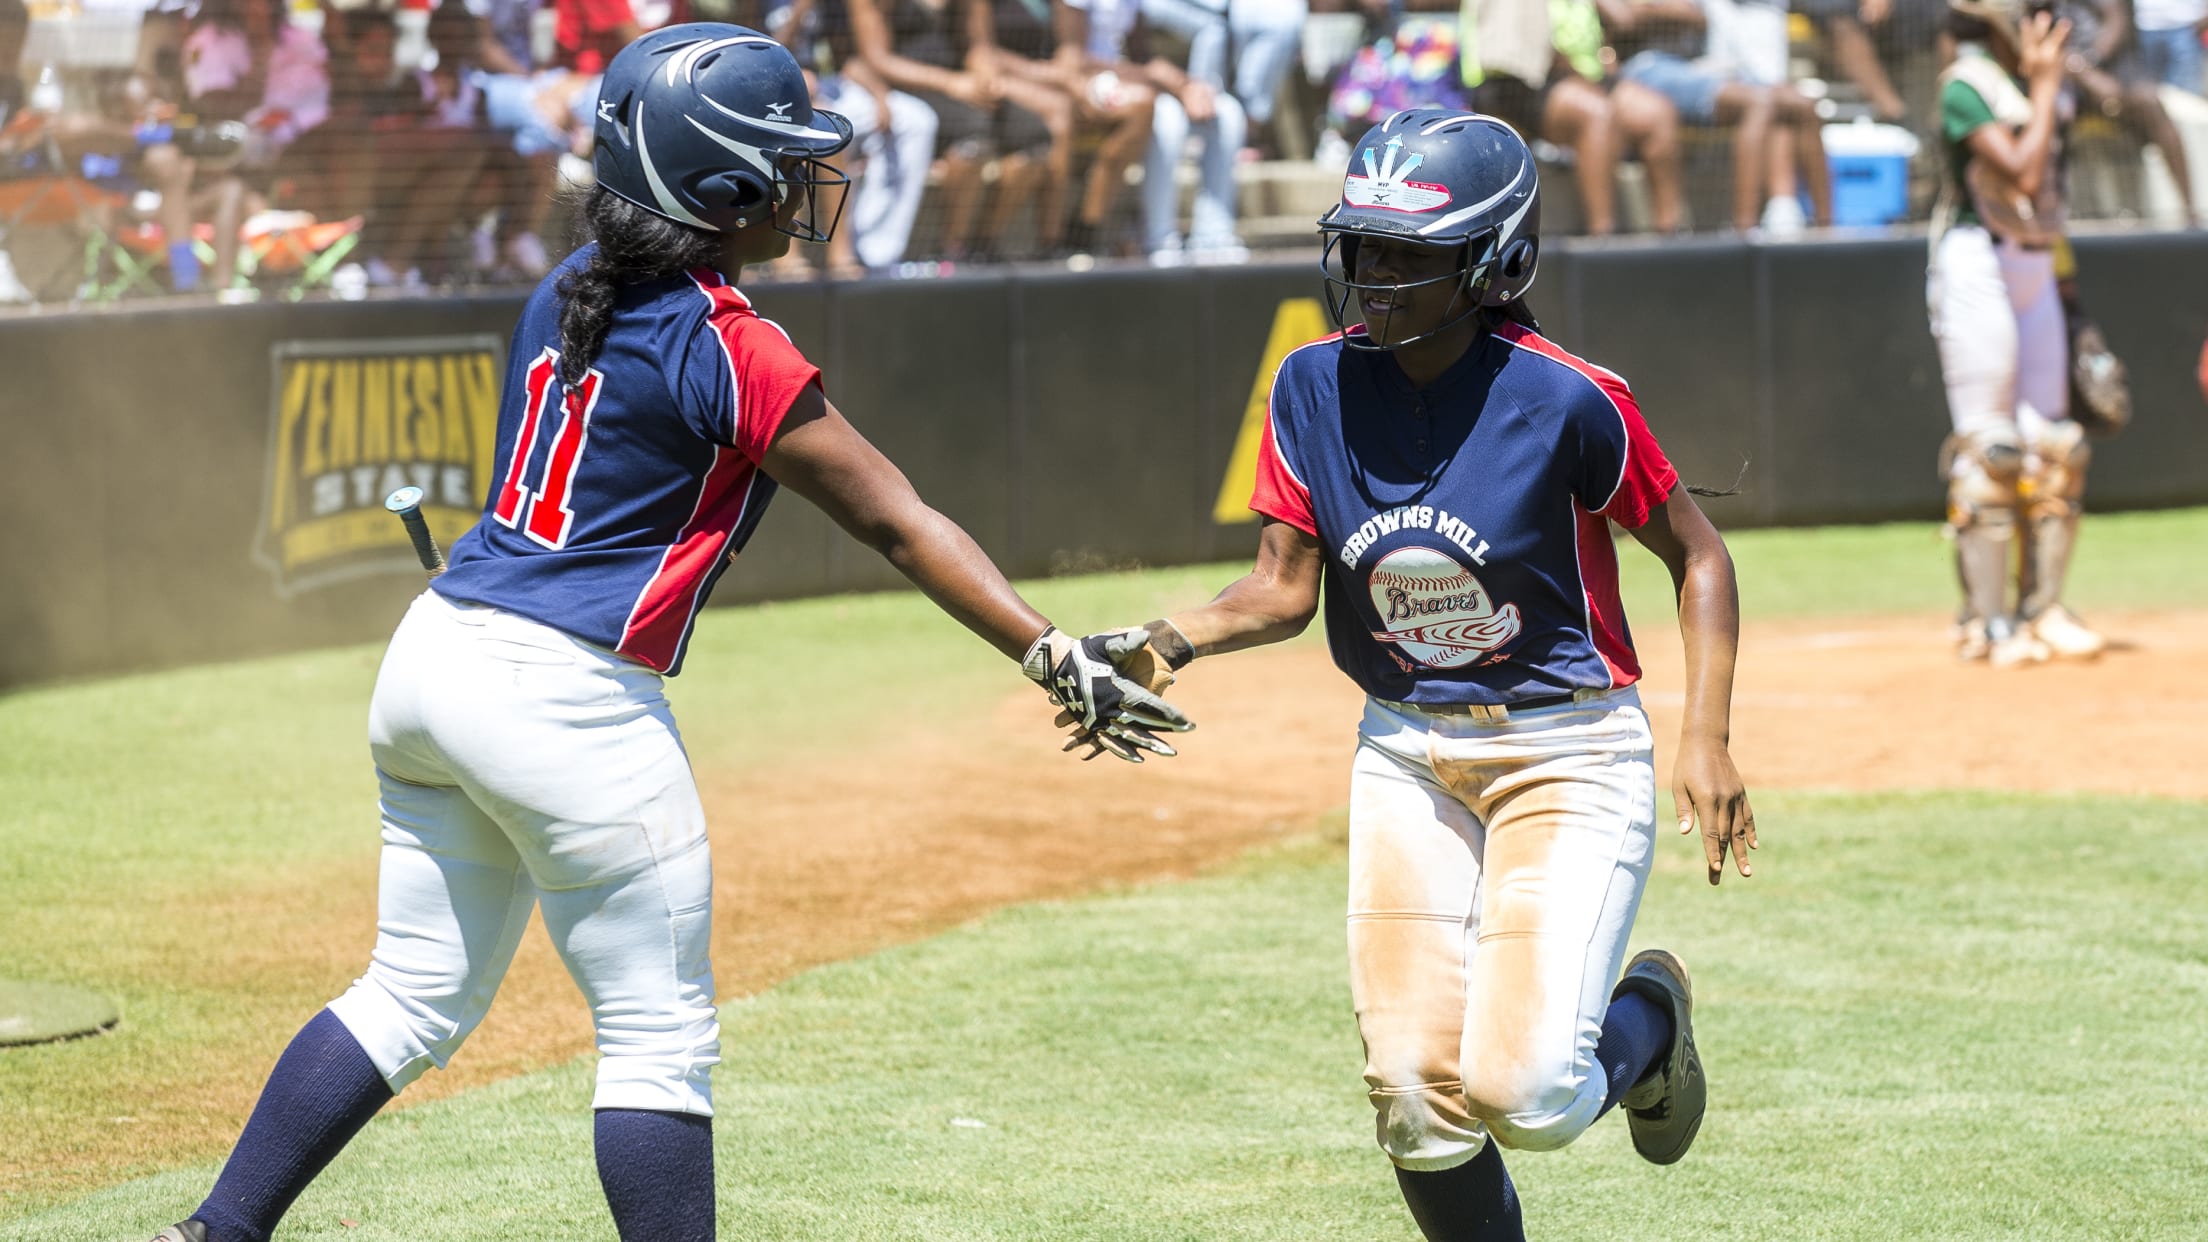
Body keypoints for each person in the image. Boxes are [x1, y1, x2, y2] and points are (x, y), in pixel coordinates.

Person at [144, 24, 1188, 1242]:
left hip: (433, 655)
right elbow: (899, 521)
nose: (805, 185)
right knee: (656, 1038)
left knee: (409, 996)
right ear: (722, 184)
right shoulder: (731, 342)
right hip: (565, 696)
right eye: (785, 161)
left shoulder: (565, 284)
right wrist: (1048, 649)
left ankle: (212, 1234)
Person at [1068, 108, 1755, 1240]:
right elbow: (1282, 589)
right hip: (1407, 751)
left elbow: (1699, 554)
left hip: (1567, 750)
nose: (1374, 277)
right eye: (1365, 248)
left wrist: (1706, 736)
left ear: (1494, 265)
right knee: (1413, 1101)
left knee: (1525, 1096)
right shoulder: (1309, 386)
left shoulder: (1570, 396)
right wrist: (1169, 638)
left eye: (1409, 256)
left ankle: (1651, 1023)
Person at [1928, 0, 2107, 664]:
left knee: (2055, 447)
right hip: (1979, 263)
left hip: (2036, 265)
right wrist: (2049, 83)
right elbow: (2024, 172)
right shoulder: (1966, 82)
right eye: (2033, 13)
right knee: (1993, 449)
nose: (2048, 24)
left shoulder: (2038, 79)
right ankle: (1988, 618)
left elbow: (2051, 193)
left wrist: (2068, 291)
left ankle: (2045, 608)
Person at [1062, 0, 1248, 263]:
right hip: (1087, 86)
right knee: (1168, 119)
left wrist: (1187, 86)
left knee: (1228, 112)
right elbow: (1074, 62)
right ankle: (1159, 237)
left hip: (1133, 80)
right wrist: (1164, 80)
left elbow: (1141, 55)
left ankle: (1213, 236)